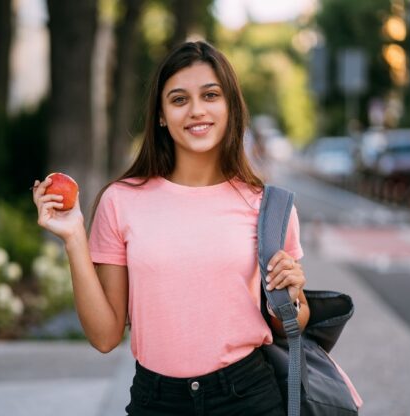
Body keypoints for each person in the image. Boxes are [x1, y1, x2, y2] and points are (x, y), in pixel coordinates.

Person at [33, 41, 309, 416]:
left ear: (229, 106)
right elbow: (104, 336)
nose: (197, 110)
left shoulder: (268, 205)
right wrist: (73, 237)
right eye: (179, 100)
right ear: (161, 115)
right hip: (156, 401)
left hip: (248, 397)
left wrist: (291, 296)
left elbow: (290, 321)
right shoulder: (121, 201)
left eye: (210, 95)